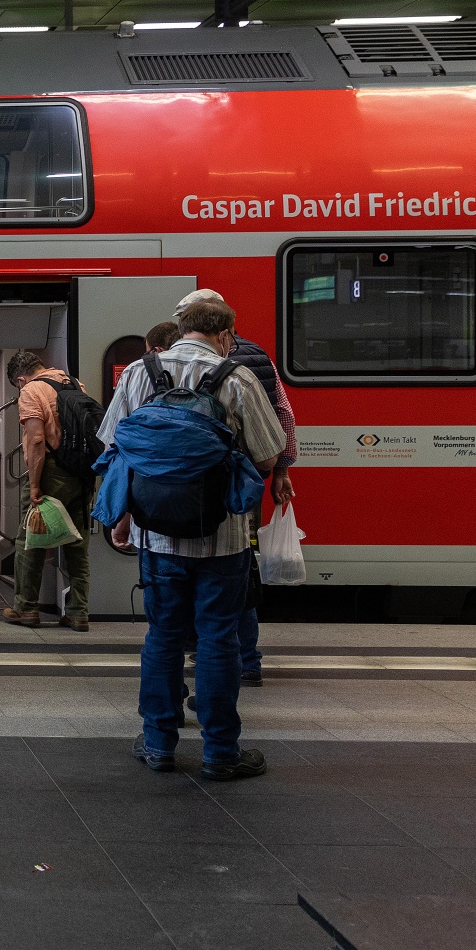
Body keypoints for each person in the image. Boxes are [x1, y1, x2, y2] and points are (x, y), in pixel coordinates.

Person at [95, 298, 283, 781]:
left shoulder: (139, 372)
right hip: (222, 537)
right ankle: (221, 752)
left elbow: (114, 443)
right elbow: (266, 456)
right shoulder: (236, 377)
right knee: (219, 638)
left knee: (162, 637)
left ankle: (158, 744)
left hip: (156, 536)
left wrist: (124, 513)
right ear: (226, 333)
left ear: (180, 329)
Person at [173, 289, 298, 687]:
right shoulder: (257, 359)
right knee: (240, 574)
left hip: (171, 492)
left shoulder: (155, 365)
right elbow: (284, 414)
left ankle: (191, 656)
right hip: (236, 488)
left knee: (180, 579)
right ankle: (248, 660)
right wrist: (281, 470)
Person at [4, 350, 94, 631]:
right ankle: (78, 612)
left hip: (51, 473)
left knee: (30, 539)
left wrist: (34, 485)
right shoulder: (73, 384)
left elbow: (36, 440)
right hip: (82, 472)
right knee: (77, 543)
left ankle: (26, 608)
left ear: (20, 379)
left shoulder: (32, 390)